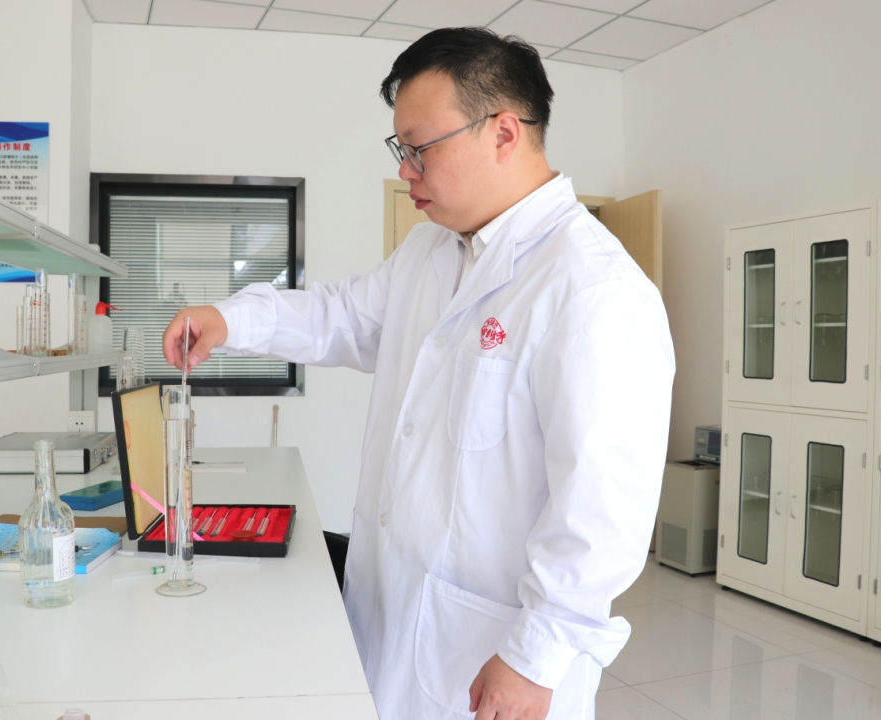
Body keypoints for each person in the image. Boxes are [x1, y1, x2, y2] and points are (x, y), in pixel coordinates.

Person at [163, 27, 674, 720]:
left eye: (420, 147)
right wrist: (231, 320)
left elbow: (602, 510)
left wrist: (536, 656)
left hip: (490, 653)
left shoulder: (593, 289)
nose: (407, 170)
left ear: (503, 132)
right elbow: (344, 316)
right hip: (393, 617)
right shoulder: (432, 251)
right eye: (400, 149)